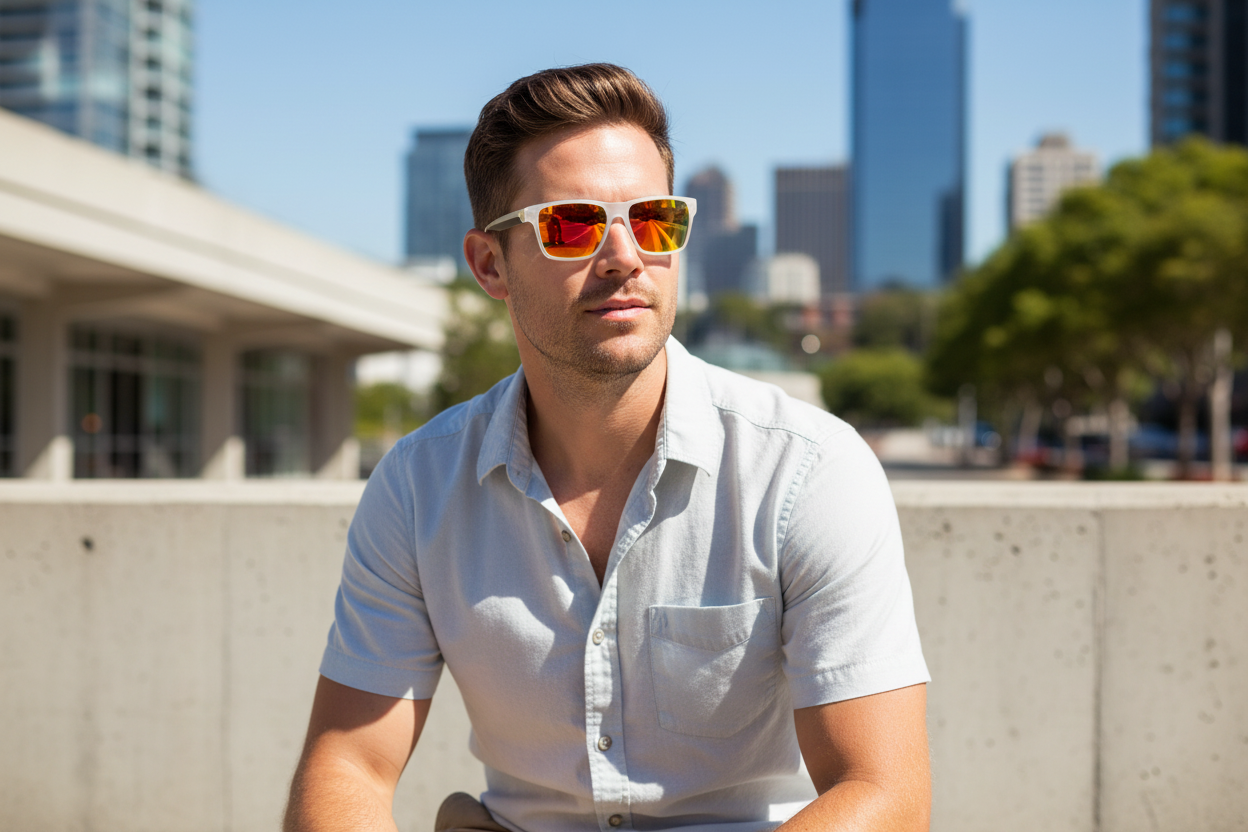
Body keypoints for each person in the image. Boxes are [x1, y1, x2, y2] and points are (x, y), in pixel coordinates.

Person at [284, 63, 930, 832]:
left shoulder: (808, 468)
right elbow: (348, 764)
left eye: (655, 218)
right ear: (491, 264)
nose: (626, 256)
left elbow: (884, 793)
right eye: (572, 224)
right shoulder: (419, 485)